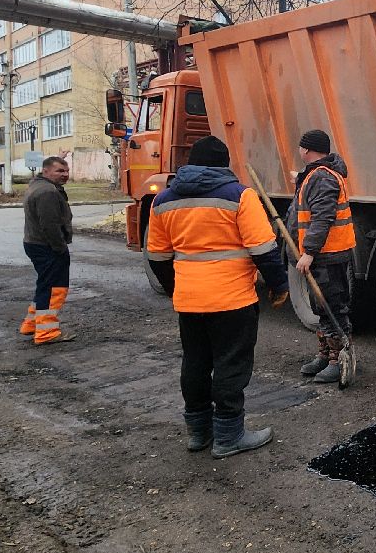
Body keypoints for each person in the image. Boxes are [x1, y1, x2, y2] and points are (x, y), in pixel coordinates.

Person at [146, 136, 290, 458]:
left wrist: (176, 289)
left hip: (190, 301)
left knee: (195, 362)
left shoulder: (164, 201)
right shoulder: (240, 196)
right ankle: (228, 436)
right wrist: (279, 286)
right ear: (225, 164)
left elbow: (157, 257)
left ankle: (198, 433)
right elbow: (264, 250)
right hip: (232, 300)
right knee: (231, 364)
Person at [288, 129, 356, 384]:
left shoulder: (322, 178)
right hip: (326, 255)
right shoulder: (316, 176)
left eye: (301, 147)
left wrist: (309, 252)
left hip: (328, 255)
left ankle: (338, 360)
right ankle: (326, 354)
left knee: (332, 306)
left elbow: (323, 217)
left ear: (306, 150)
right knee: (321, 306)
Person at [21, 155, 74, 345]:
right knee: (54, 289)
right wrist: (60, 248)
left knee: (44, 285)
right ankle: (46, 332)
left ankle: (32, 324)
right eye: (59, 171)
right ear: (46, 171)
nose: (65, 174)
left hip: (36, 244)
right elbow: (50, 225)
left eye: (66, 171)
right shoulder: (48, 192)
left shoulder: (38, 186)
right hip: (47, 246)